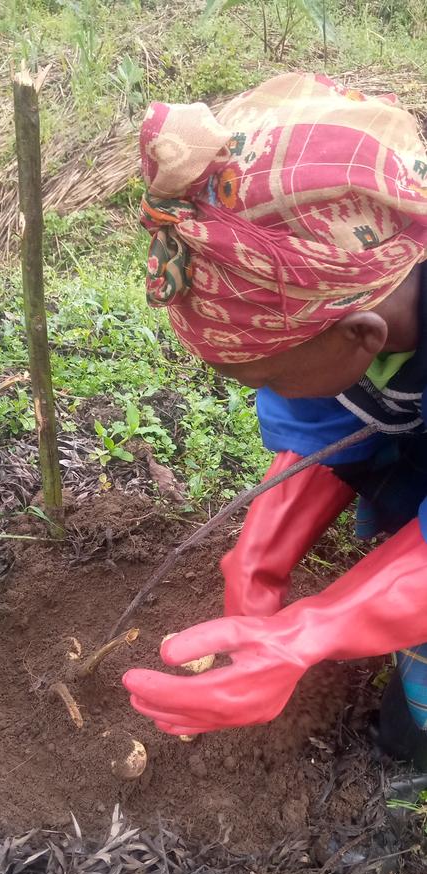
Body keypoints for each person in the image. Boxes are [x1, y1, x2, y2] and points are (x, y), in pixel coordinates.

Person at [123, 72, 427, 768]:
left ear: (360, 335)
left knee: (414, 728)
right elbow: (323, 412)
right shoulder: (358, 310)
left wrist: (312, 630)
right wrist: (261, 553)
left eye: (264, 374)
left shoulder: (347, 323)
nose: (260, 389)